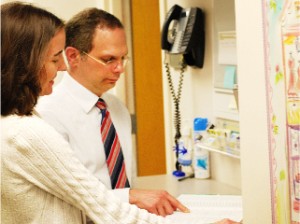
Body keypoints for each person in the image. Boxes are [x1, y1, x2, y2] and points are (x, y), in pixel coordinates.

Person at [1, 2, 171, 223]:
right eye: (54, 59)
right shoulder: (28, 132)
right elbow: (97, 204)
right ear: (26, 63)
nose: (61, 67)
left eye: (123, 59)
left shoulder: (19, 121)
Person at [36, 7, 189, 217]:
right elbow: (63, 199)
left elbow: (126, 183)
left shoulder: (116, 108)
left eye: (123, 58)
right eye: (109, 60)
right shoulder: (46, 115)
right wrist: (131, 196)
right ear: (73, 56)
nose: (120, 69)